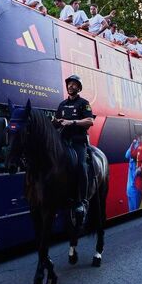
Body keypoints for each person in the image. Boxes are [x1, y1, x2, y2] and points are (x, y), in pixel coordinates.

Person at [52, 74, 94, 222]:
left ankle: (82, 201)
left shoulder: (84, 103)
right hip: (63, 142)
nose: (71, 86)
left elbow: (90, 121)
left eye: (74, 84)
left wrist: (72, 122)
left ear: (79, 87)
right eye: (69, 84)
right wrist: (55, 121)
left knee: (81, 166)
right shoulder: (62, 104)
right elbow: (57, 122)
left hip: (78, 142)